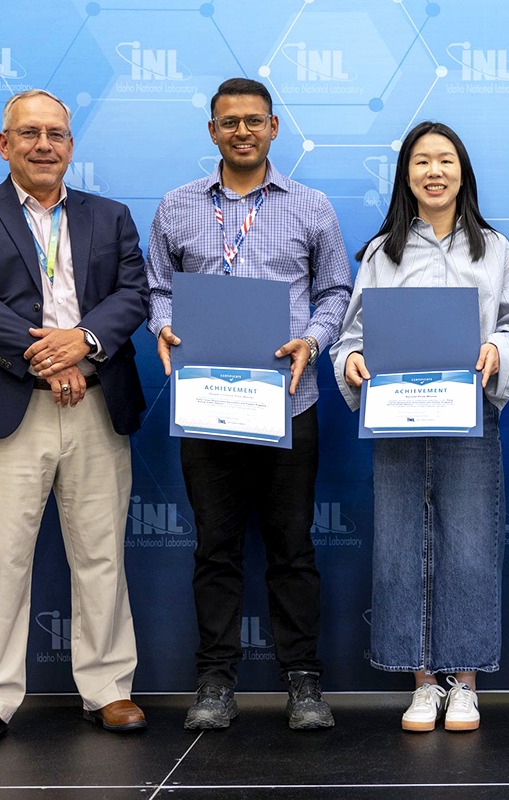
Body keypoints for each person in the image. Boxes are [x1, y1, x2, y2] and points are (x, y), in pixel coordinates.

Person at [0, 89, 150, 748]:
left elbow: (133, 294)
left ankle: (108, 688)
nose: (43, 144)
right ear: (5, 144)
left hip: (97, 399)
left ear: (71, 146)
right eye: (29, 133)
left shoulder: (110, 216)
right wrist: (48, 360)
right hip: (6, 400)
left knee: (101, 553)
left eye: (55, 133)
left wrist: (83, 344)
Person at [145, 77, 352, 731]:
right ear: (212, 131)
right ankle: (214, 682)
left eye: (254, 120)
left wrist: (312, 340)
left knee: (292, 547)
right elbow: (157, 289)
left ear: (273, 128)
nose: (242, 131)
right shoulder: (177, 205)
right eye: (229, 122)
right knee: (215, 548)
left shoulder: (311, 206)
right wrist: (163, 325)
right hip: (207, 404)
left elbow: (337, 290)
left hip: (289, 401)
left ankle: (304, 682)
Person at [331, 121, 509, 733]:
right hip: (396, 420)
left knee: (469, 544)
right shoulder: (381, 252)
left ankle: (464, 682)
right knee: (400, 544)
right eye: (422, 161)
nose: (434, 171)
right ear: (407, 176)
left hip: (469, 418)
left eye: (446, 160)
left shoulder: (493, 249)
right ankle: (421, 683)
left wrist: (498, 347)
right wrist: (352, 360)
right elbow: (350, 336)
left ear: (462, 172)